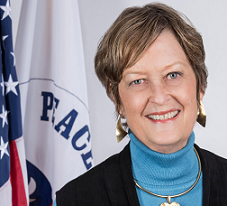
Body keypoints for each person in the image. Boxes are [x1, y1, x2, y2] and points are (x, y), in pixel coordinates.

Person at [54, 3, 227, 205]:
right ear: (117, 98)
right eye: (137, 81)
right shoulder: (75, 200)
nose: (159, 97)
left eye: (173, 75)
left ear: (200, 86)